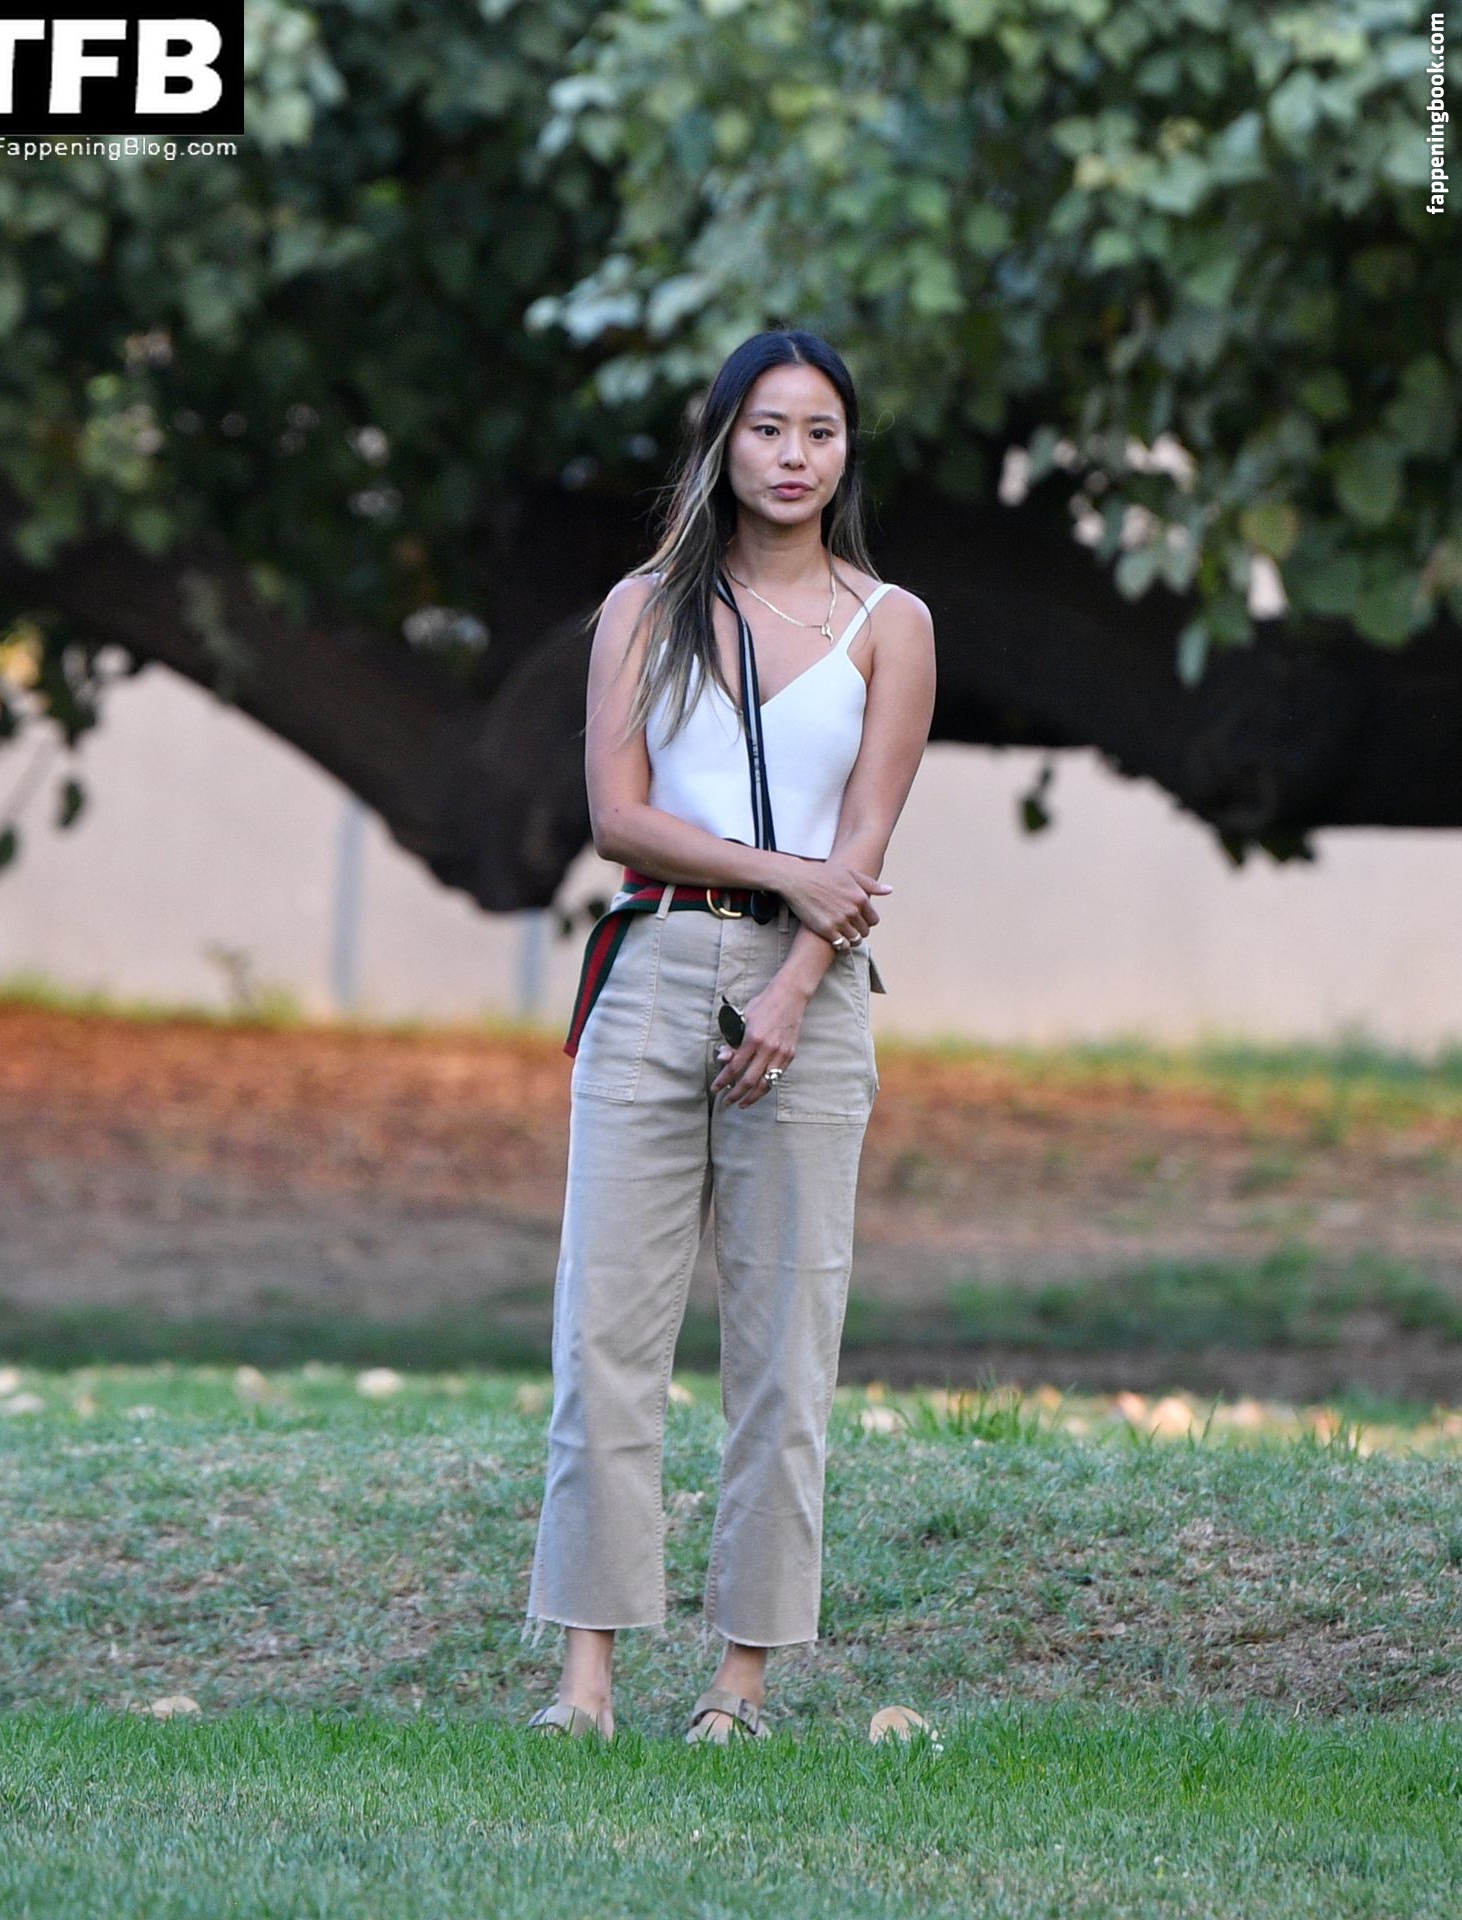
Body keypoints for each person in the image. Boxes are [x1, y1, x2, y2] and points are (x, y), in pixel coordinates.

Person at [521, 328, 937, 1743]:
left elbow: (864, 840)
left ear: (846, 452)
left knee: (784, 1344)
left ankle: (740, 1685)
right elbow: (619, 817)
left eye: (819, 431)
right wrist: (782, 875)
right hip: (652, 964)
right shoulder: (644, 607)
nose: (792, 456)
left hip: (811, 995)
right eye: (766, 428)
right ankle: (585, 1682)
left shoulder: (890, 622)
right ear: (721, 442)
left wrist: (794, 980)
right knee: (605, 1332)